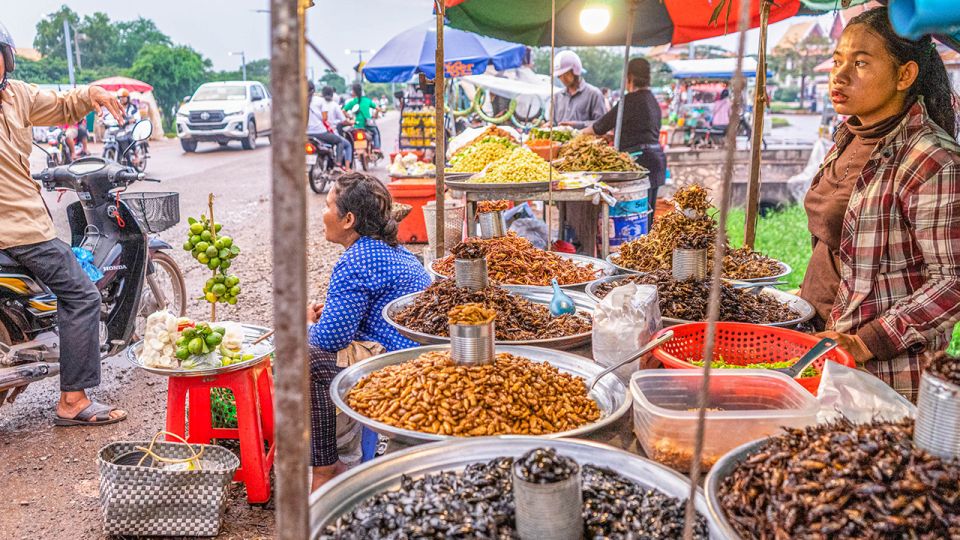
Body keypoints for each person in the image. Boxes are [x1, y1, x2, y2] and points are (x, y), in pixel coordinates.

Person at [798, 7, 960, 402]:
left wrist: (866, 342)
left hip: (880, 376)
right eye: (838, 61)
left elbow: (953, 281)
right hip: (817, 346)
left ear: (904, 75)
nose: (840, 75)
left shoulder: (931, 159)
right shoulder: (848, 136)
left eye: (861, 63)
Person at [0, 22, 129, 425]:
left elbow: (60, 104)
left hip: (20, 224)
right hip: (20, 230)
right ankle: (73, 401)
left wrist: (93, 94)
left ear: (6, 60)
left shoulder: (18, 96)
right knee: (82, 295)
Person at [305, 173, 430, 490]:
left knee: (303, 354)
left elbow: (329, 339)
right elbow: (355, 312)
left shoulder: (358, 258)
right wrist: (327, 314)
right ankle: (343, 454)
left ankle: (326, 467)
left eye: (328, 205)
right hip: (411, 354)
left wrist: (305, 325)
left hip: (398, 365)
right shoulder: (389, 250)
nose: (323, 212)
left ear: (348, 219)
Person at [583, 57, 667, 218]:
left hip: (640, 163)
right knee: (645, 216)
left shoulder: (630, 100)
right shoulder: (652, 100)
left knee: (634, 217)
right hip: (656, 161)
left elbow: (599, 127)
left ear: (629, 78)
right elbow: (640, 130)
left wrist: (578, 134)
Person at [551, 50, 608, 129]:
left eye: (566, 74)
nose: (563, 79)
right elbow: (554, 123)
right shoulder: (557, 97)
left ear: (576, 70)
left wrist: (577, 125)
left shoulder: (594, 94)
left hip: (584, 140)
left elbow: (602, 124)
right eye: (560, 76)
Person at [307, 81, 352, 168]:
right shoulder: (320, 101)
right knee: (339, 141)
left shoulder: (297, 100)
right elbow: (325, 118)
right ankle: (338, 164)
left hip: (304, 134)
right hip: (320, 133)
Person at [342, 83, 381, 150]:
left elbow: (343, 111)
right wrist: (375, 115)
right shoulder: (367, 100)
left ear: (354, 92)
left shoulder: (353, 102)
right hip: (367, 125)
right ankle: (377, 148)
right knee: (375, 133)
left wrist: (349, 117)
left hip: (357, 126)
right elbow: (378, 108)